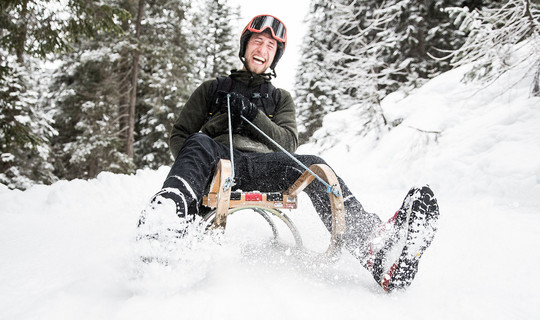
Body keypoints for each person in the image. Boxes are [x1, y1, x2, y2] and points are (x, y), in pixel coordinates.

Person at [137, 14, 440, 293]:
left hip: (264, 166)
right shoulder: (213, 89)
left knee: (314, 165)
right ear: (245, 47)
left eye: (270, 45)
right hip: (217, 161)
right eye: (257, 41)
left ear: (274, 56)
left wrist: (253, 114)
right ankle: (166, 225)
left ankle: (376, 248)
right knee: (198, 141)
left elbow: (288, 142)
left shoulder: (280, 98)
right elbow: (180, 137)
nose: (262, 48)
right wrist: (215, 128)